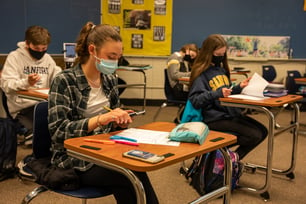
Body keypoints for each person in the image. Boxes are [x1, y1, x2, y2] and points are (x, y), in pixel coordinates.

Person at [48, 22, 159, 204]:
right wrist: (100, 119)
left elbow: (114, 119)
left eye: (118, 57)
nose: (114, 61)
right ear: (92, 50)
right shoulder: (64, 80)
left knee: (136, 167)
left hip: (106, 148)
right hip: (74, 156)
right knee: (128, 175)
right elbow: (59, 132)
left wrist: (120, 121)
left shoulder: (108, 79)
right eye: (111, 56)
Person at [188, 34, 267, 160]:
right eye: (218, 55)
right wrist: (217, 94)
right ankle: (223, 156)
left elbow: (227, 91)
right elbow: (196, 100)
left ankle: (230, 159)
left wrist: (239, 86)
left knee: (263, 131)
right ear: (209, 53)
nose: (221, 58)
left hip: (229, 114)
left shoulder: (221, 70)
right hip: (214, 118)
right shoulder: (201, 73)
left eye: (223, 55)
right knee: (254, 135)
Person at [0, 25, 61, 144]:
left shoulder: (47, 59)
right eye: (36, 48)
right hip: (22, 108)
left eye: (43, 49)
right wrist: (26, 83)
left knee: (58, 126)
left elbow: (56, 76)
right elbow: (6, 85)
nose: (40, 52)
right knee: (44, 133)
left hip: (44, 105)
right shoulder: (15, 57)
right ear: (27, 43)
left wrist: (59, 77)